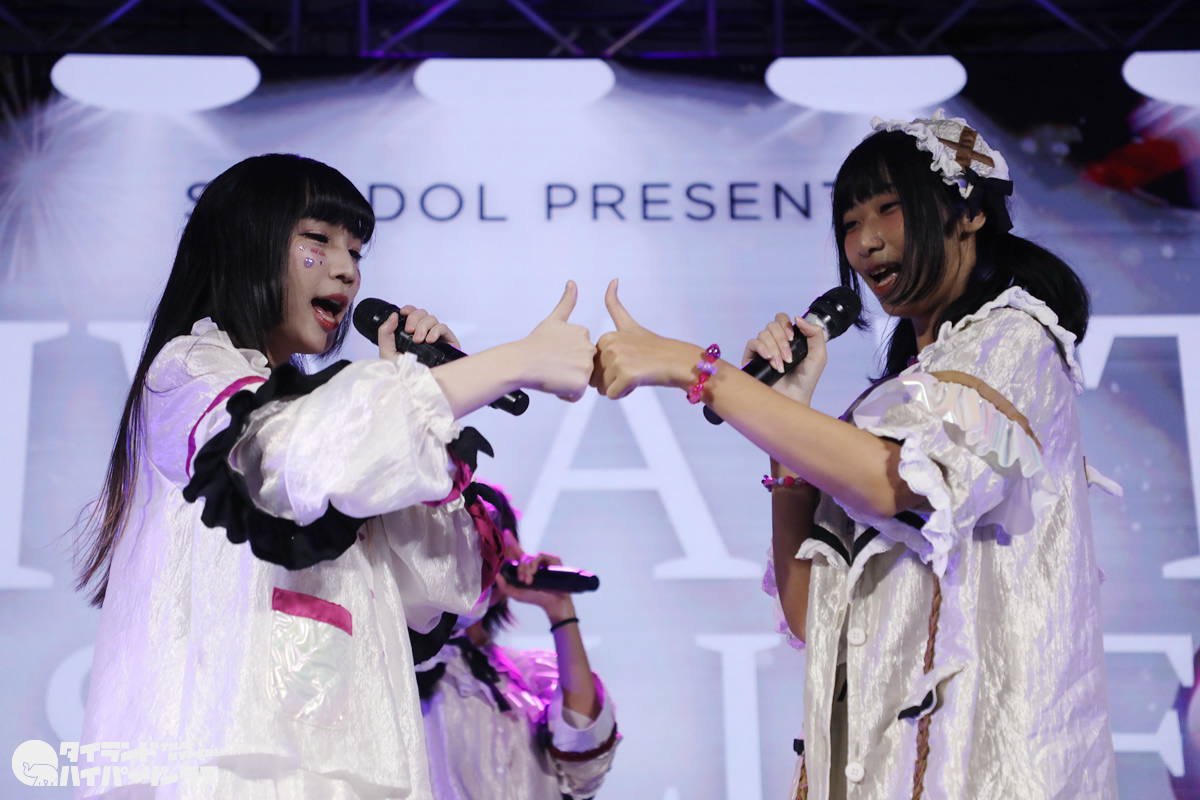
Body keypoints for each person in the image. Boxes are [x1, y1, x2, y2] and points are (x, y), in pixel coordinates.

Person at [591, 111, 1117, 798]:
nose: (866, 243)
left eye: (889, 209)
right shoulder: (898, 397)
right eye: (849, 223)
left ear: (970, 213)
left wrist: (697, 369)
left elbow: (887, 482)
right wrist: (787, 419)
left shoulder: (1016, 344)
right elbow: (810, 612)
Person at [73, 153, 596, 799]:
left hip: (346, 758)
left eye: (356, 251)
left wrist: (420, 387)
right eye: (318, 240)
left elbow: (438, 585)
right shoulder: (191, 371)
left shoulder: (335, 420)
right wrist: (506, 364)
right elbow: (289, 458)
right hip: (218, 761)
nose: (347, 269)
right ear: (245, 243)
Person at [415, 486, 619, 800]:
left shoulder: (534, 675)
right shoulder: (404, 667)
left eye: (484, 542)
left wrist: (560, 610)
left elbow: (585, 766)